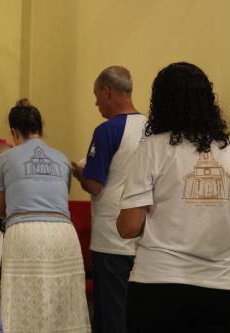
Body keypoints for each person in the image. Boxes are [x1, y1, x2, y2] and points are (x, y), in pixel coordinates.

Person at [117, 62, 230, 333]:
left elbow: (129, 227)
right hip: (220, 289)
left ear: (160, 102)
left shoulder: (153, 148)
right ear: (209, 101)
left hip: (157, 286)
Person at [0, 99, 91, 332]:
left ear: (14, 131)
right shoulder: (62, 158)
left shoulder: (5, 158)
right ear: (40, 129)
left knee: (23, 298)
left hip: (25, 233)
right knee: (61, 299)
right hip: (63, 233)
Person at [71, 65, 147, 333]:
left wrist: (79, 172)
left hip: (111, 238)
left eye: (96, 95)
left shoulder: (107, 130)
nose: (95, 102)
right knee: (138, 313)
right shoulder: (153, 127)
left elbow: (95, 184)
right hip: (144, 236)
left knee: (111, 315)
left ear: (107, 91)